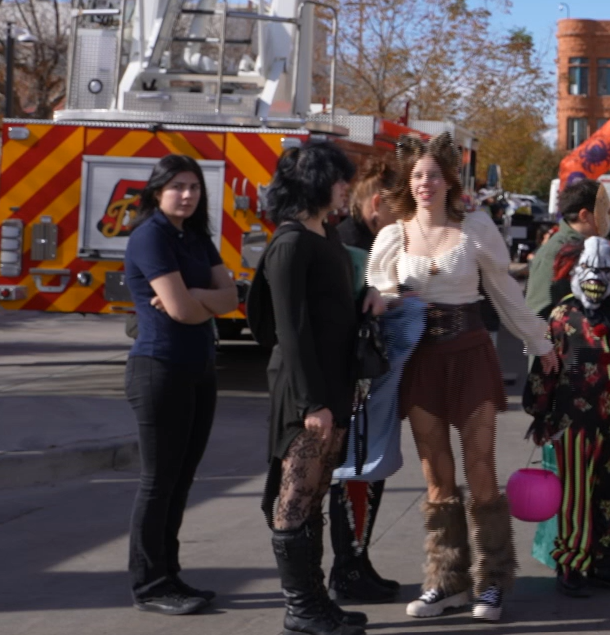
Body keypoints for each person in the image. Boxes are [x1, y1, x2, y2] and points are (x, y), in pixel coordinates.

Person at [367, 134, 560, 623]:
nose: (424, 182)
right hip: (421, 361)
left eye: (432, 174)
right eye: (416, 175)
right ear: (407, 185)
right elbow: (377, 294)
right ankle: (446, 580)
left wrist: (542, 345)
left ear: (448, 180)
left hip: (471, 355)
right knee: (436, 475)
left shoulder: (476, 227)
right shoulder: (394, 235)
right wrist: (389, 298)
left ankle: (492, 582)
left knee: (480, 469)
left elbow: (505, 295)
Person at [255, 141, 388, 635]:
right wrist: (313, 402)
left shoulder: (325, 235)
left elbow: (334, 305)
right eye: (337, 178)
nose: (345, 187)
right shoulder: (290, 243)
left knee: (313, 495)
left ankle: (315, 602)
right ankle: (301, 608)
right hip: (303, 390)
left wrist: (368, 296)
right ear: (313, 181)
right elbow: (290, 330)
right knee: (294, 496)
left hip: (333, 382)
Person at [122, 154, 241, 615]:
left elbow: (231, 299)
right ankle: (149, 585)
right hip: (159, 368)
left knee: (181, 479)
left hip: (199, 368)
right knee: (158, 481)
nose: (187, 195)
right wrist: (196, 301)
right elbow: (183, 313)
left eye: (194, 187)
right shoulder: (149, 237)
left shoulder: (194, 237)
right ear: (157, 191)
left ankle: (169, 575)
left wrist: (194, 297)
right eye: (178, 187)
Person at [522, 236, 610, 597]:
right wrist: (539, 412)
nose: (595, 277)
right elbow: (546, 367)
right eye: (588, 269)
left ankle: (603, 561)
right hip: (573, 424)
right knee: (575, 496)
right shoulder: (562, 315)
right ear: (574, 270)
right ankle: (572, 565)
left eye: (603, 270)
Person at [327, 158, 405, 604]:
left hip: (366, 378)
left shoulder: (368, 241)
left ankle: (357, 561)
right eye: (398, 210)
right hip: (354, 382)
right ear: (376, 204)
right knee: (355, 475)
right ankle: (347, 568)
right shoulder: (353, 246)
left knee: (366, 474)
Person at [526, 179, 604, 318]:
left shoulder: (584, 246)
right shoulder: (559, 250)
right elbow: (538, 309)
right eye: (603, 212)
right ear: (584, 215)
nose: (608, 218)